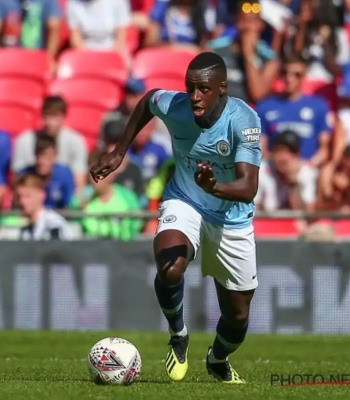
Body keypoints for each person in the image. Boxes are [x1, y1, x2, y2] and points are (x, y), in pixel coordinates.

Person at [90, 52, 261, 383]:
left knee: (238, 317)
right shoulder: (175, 105)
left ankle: (217, 359)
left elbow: (248, 187)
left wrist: (215, 187)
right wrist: (119, 152)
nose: (194, 96)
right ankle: (178, 335)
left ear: (222, 88)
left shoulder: (244, 120)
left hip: (231, 219)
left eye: (203, 89)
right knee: (170, 268)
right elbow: (147, 101)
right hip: (185, 201)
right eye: (189, 87)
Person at [256, 53, 333, 167]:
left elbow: (324, 149)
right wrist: (280, 163)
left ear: (304, 76)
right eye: (285, 73)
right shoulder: (265, 106)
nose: (289, 78)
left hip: (307, 168)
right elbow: (260, 148)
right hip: (274, 167)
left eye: (296, 74)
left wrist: (306, 166)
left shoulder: (318, 106)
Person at [14, 173, 74, 241]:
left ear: (42, 195)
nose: (22, 201)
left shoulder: (53, 225)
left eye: (27, 196)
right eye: (19, 197)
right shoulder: (26, 229)